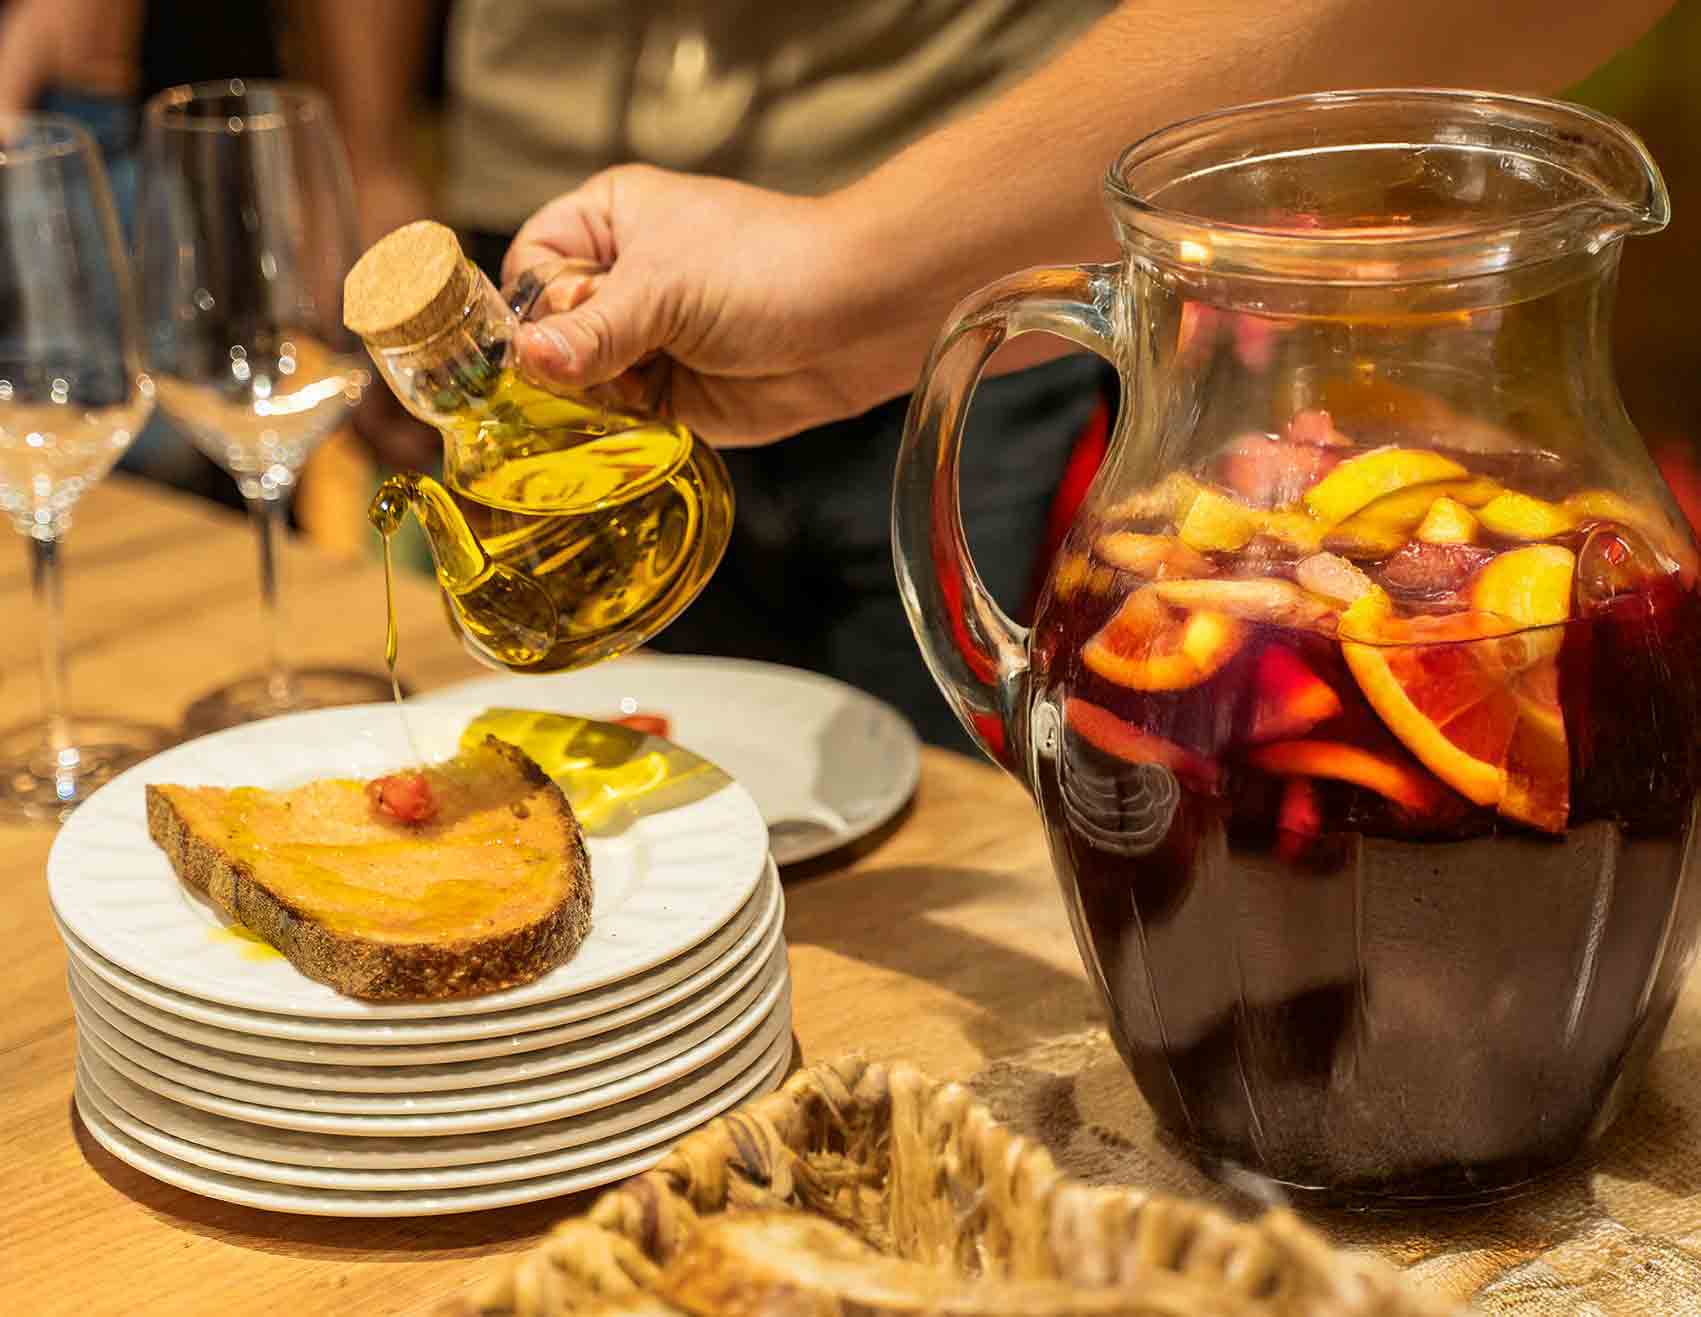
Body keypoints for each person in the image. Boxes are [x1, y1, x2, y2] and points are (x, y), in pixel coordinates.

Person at [308, 1, 1119, 751]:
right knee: (670, 769)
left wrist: (843, 274)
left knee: (931, 758)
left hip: (967, 198)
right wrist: (366, 156)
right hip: (544, 212)